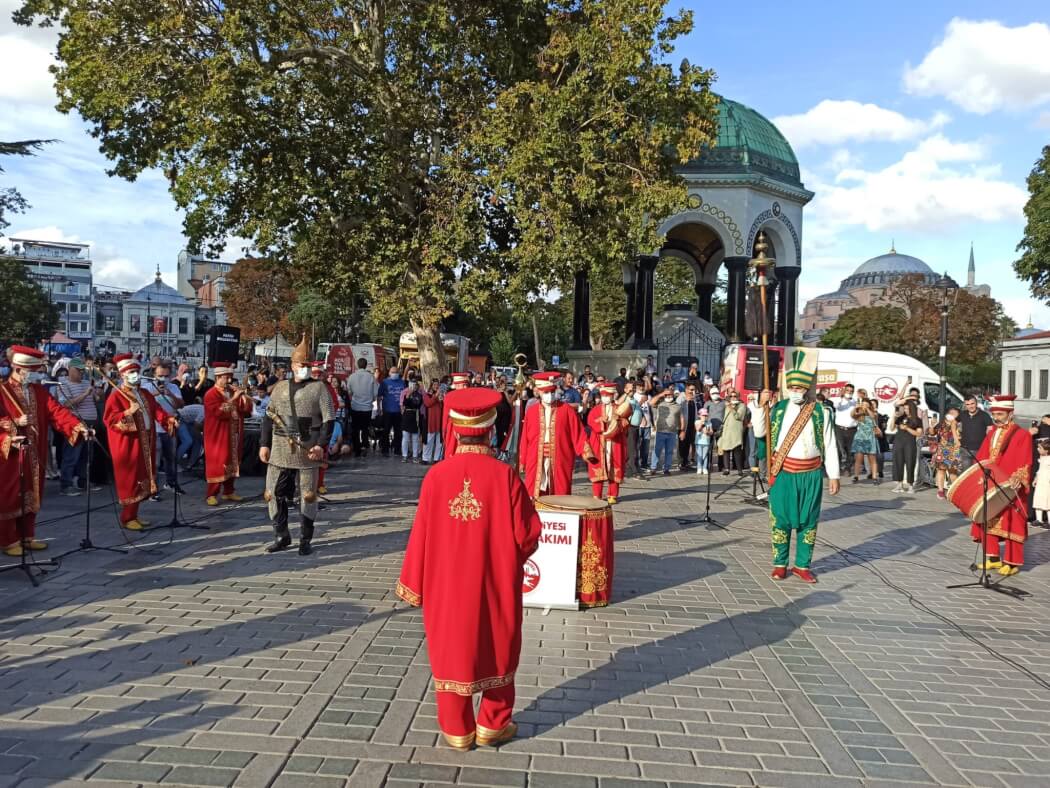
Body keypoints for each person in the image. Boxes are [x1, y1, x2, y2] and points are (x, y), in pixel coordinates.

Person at [396, 388, 541, 750]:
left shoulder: (436, 477)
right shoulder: (505, 476)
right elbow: (528, 534)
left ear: (455, 429)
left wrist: (414, 581)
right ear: (491, 429)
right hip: (494, 581)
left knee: (451, 647)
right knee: (498, 642)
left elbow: (421, 536)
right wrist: (508, 558)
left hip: (445, 584)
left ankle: (457, 729)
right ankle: (493, 723)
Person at [752, 350, 840, 583]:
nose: (796, 393)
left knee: (808, 520)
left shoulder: (821, 412)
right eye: (792, 388)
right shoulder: (778, 408)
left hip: (811, 473)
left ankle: (802, 565)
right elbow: (760, 433)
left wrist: (834, 474)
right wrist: (761, 407)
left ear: (807, 388)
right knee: (780, 518)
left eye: (800, 389)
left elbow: (829, 443)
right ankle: (780, 564)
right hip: (783, 472)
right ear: (787, 387)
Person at [0, 346, 90, 556]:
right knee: (10, 495)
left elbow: (57, 412)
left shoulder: (37, 391)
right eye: (31, 370)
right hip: (11, 455)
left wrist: (78, 426)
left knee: (32, 494)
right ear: (18, 368)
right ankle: (7, 540)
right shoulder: (2, 391)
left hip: (35, 453)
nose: (35, 374)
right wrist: (13, 425)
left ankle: (27, 536)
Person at [259, 336, 336, 556]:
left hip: (306, 447)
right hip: (280, 446)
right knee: (272, 493)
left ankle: (305, 538)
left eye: (308, 366)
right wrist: (264, 444)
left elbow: (329, 419)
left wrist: (321, 445)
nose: (305, 369)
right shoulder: (280, 387)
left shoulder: (319, 388)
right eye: (302, 365)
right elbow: (268, 417)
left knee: (308, 495)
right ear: (292, 365)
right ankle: (281, 535)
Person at [103, 353, 177, 531]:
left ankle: (134, 514)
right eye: (131, 372)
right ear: (122, 375)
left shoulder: (144, 393)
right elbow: (110, 420)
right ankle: (127, 517)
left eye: (137, 371)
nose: (135, 375)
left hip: (145, 440)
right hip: (128, 443)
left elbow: (156, 410)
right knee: (130, 479)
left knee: (142, 477)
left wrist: (168, 420)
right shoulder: (117, 396)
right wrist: (127, 413)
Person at [969, 394, 1031, 576]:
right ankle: (993, 558)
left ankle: (1012, 563)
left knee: (1012, 522)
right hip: (992, 484)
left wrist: (1018, 478)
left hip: (1011, 486)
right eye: (994, 414)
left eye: (1000, 414)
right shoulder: (992, 434)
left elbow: (1026, 461)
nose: (996, 418)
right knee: (988, 518)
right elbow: (982, 457)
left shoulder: (1022, 434)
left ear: (1010, 414)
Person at [518, 371, 595, 497]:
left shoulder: (566, 410)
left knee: (560, 490)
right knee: (535, 491)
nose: (550, 395)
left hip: (560, 457)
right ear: (539, 392)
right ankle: (536, 515)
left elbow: (578, 433)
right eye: (546, 392)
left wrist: (587, 452)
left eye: (552, 392)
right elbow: (525, 438)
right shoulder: (531, 412)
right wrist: (523, 460)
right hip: (536, 457)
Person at [203, 362, 254, 505]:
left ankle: (229, 491)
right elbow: (220, 411)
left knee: (233, 462)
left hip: (233, 433)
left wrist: (244, 397)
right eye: (226, 378)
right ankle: (211, 494)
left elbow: (245, 411)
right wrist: (235, 398)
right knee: (219, 463)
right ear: (218, 378)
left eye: (230, 377)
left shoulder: (231, 392)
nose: (229, 381)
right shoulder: (210, 394)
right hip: (218, 436)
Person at [54, 358, 100, 496]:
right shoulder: (63, 383)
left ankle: (83, 481)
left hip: (91, 423)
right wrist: (85, 394)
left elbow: (96, 399)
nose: (81, 373)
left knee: (87, 455)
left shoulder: (86, 382)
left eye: (82, 370)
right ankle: (66, 484)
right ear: (70, 370)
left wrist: (97, 394)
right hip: (76, 423)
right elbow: (67, 404)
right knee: (72, 454)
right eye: (78, 370)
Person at [143, 361, 185, 495]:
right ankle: (152, 488)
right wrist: (155, 393)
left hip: (169, 427)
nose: (163, 378)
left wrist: (169, 394)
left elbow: (181, 405)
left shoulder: (173, 387)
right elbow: (143, 404)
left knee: (170, 458)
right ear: (154, 374)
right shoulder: (147, 387)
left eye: (166, 376)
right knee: (154, 460)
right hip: (153, 428)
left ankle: (171, 483)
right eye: (160, 375)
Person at [586, 383, 628, 503]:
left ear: (612, 395)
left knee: (614, 468)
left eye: (607, 395)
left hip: (615, 442)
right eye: (603, 395)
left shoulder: (619, 408)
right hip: (599, 442)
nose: (605, 397)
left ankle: (612, 495)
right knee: (598, 467)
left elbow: (625, 424)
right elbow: (591, 422)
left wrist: (620, 422)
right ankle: (597, 495)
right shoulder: (596, 409)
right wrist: (601, 422)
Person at [891, 388, 923, 493]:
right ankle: (899, 485)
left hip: (910, 443)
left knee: (910, 463)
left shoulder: (917, 420)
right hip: (898, 442)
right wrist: (893, 417)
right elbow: (892, 428)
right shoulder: (901, 417)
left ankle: (910, 485)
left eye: (907, 408)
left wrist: (908, 429)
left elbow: (919, 433)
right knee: (898, 463)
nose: (906, 410)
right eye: (904, 408)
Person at [346, 357, 378, 458]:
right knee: (365, 428)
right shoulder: (371, 377)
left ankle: (357, 449)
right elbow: (375, 392)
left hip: (355, 406)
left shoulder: (352, 377)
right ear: (366, 365)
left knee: (355, 429)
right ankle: (364, 446)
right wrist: (371, 399)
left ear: (357, 365)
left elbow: (349, 391)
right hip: (367, 407)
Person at [929, 406, 962, 499]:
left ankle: (956, 491)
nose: (952, 415)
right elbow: (932, 433)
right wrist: (932, 425)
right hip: (941, 450)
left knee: (953, 472)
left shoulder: (959, 425)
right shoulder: (941, 424)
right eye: (950, 413)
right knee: (941, 470)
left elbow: (960, 437)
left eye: (955, 414)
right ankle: (940, 490)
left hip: (953, 451)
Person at [650, 387, 684, 476]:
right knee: (657, 450)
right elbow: (651, 402)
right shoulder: (660, 404)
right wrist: (661, 394)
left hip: (672, 432)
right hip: (660, 431)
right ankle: (653, 467)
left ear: (673, 395)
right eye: (667, 395)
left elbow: (681, 418)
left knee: (669, 451)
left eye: (670, 394)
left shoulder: (678, 406)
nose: (669, 396)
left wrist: (682, 430)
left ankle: (666, 469)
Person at [849, 393, 879, 484]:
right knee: (858, 458)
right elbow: (852, 415)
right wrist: (856, 407)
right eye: (863, 403)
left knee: (872, 459)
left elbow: (873, 417)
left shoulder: (874, 412)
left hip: (870, 437)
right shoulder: (860, 413)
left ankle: (874, 477)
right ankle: (856, 476)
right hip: (860, 437)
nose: (864, 405)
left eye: (867, 403)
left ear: (869, 405)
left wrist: (867, 409)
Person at [377, 368, 406, 457]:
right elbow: (379, 396)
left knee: (398, 432)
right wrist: (379, 408)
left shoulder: (402, 382)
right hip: (387, 411)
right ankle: (385, 450)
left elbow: (405, 396)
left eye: (396, 372)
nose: (394, 373)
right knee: (386, 431)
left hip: (399, 411)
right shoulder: (384, 382)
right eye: (393, 372)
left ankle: (397, 450)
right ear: (389, 373)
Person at [717, 389, 746, 475]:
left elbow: (739, 416)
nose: (733, 398)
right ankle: (726, 469)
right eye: (731, 396)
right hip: (727, 430)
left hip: (736, 431)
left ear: (738, 397)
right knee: (726, 449)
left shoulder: (742, 406)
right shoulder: (727, 406)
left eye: (734, 396)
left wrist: (731, 408)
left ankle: (739, 469)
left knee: (737, 450)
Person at [832, 384, 858, 467]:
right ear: (844, 391)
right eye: (847, 390)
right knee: (839, 449)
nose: (849, 392)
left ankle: (848, 467)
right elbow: (836, 406)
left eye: (851, 391)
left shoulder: (855, 402)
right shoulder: (839, 400)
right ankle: (838, 467)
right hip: (840, 429)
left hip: (852, 429)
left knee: (851, 450)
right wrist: (841, 396)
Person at [401, 378, 425, 463]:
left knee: (415, 438)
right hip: (407, 415)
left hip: (415, 416)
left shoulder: (419, 395)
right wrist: (408, 396)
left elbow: (417, 405)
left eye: (415, 385)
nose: (414, 386)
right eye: (412, 384)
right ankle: (404, 455)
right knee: (405, 437)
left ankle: (415, 456)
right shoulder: (406, 393)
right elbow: (405, 404)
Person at [422, 381, 444, 464]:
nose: (436, 386)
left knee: (439, 442)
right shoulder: (427, 395)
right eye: (435, 385)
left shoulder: (440, 396)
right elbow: (428, 403)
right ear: (431, 386)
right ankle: (425, 458)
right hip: (430, 422)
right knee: (429, 441)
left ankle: (437, 458)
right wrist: (436, 395)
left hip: (440, 421)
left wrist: (441, 399)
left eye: (438, 385)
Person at [1032, 439, 1050, 526]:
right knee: (1038, 499)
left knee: (1047, 501)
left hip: (1047, 482)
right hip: (1041, 482)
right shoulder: (1042, 459)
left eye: (1040, 448)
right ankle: (1039, 519)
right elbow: (1039, 470)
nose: (1038, 449)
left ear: (1047, 450)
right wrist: (1036, 479)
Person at [694, 407, 712, 474]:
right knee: (699, 455)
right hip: (699, 442)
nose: (704, 417)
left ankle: (704, 468)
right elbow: (698, 429)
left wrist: (709, 432)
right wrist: (702, 424)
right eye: (703, 415)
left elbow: (711, 431)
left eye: (706, 415)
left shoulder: (709, 423)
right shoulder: (697, 422)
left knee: (705, 455)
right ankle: (699, 467)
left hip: (706, 442)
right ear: (699, 415)